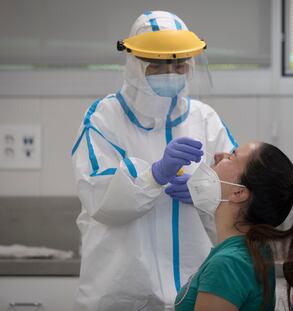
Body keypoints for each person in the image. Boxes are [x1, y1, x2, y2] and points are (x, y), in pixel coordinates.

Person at [71, 11, 237, 311]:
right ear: (135, 64)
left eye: (179, 64)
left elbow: (238, 191)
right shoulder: (104, 118)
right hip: (120, 292)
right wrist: (154, 175)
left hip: (194, 290)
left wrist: (208, 192)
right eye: (158, 64)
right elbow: (99, 195)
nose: (171, 72)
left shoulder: (206, 119)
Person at [174, 142, 293, 311]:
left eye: (231, 156)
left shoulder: (227, 264)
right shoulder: (253, 251)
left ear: (239, 193)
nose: (217, 155)